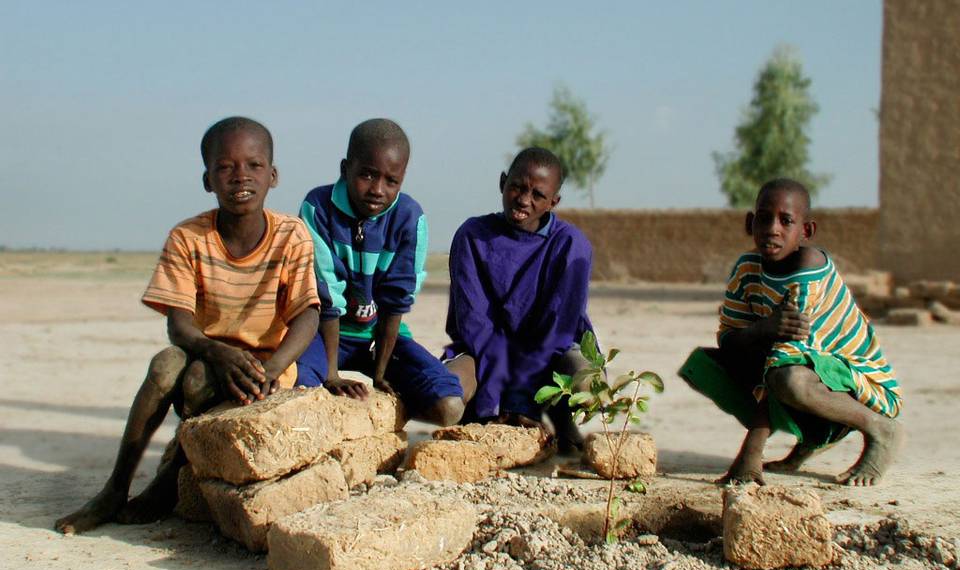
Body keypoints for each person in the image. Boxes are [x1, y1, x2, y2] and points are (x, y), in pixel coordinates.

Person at [55, 117, 321, 534]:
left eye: (253, 165)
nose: (240, 177)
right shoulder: (188, 237)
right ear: (207, 179)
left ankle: (167, 483)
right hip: (205, 348)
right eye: (225, 167)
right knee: (165, 365)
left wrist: (271, 369)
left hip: (261, 364)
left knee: (197, 380)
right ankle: (114, 488)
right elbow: (179, 327)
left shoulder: (292, 235)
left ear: (273, 175)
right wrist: (218, 350)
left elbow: (308, 314)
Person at [679, 178, 903, 486]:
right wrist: (764, 328)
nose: (773, 228)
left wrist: (750, 454)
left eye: (786, 220)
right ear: (749, 222)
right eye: (764, 218)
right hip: (802, 367)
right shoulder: (747, 268)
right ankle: (810, 438)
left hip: (855, 379)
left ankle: (878, 428)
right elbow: (729, 338)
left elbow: (786, 361)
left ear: (806, 231)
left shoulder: (809, 268)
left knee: (789, 379)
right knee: (705, 366)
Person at [295, 118, 465, 425]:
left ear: (402, 179)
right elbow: (327, 295)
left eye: (391, 181)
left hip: (378, 338)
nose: (377, 190)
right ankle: (328, 395)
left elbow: (395, 302)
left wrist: (381, 373)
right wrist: (332, 375)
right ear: (345, 168)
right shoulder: (318, 207)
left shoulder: (409, 218)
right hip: (321, 333)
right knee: (298, 388)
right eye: (367, 175)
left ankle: (387, 417)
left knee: (449, 405)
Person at [442, 147, 595, 452]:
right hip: (482, 352)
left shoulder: (570, 245)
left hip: (550, 354)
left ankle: (559, 418)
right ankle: (483, 416)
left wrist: (522, 401)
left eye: (538, 194)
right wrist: (498, 400)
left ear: (554, 202)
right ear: (502, 182)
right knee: (446, 395)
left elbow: (558, 332)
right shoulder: (473, 236)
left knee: (584, 380)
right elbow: (475, 324)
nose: (524, 200)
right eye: (517, 187)